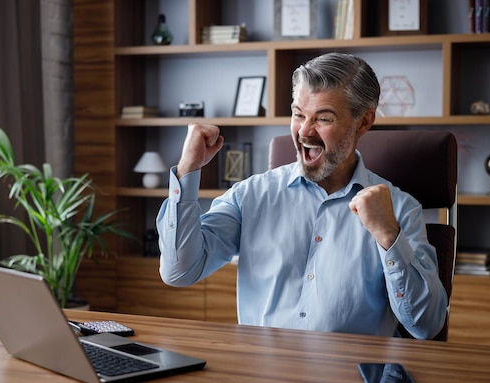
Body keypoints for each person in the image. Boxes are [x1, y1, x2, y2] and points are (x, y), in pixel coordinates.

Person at [156, 52, 447, 339]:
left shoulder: (399, 209)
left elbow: (426, 326)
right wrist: (188, 169)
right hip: (261, 377)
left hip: (349, 380)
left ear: (363, 122)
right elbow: (179, 271)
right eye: (298, 115)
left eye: (323, 118)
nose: (304, 131)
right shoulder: (252, 195)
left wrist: (388, 236)